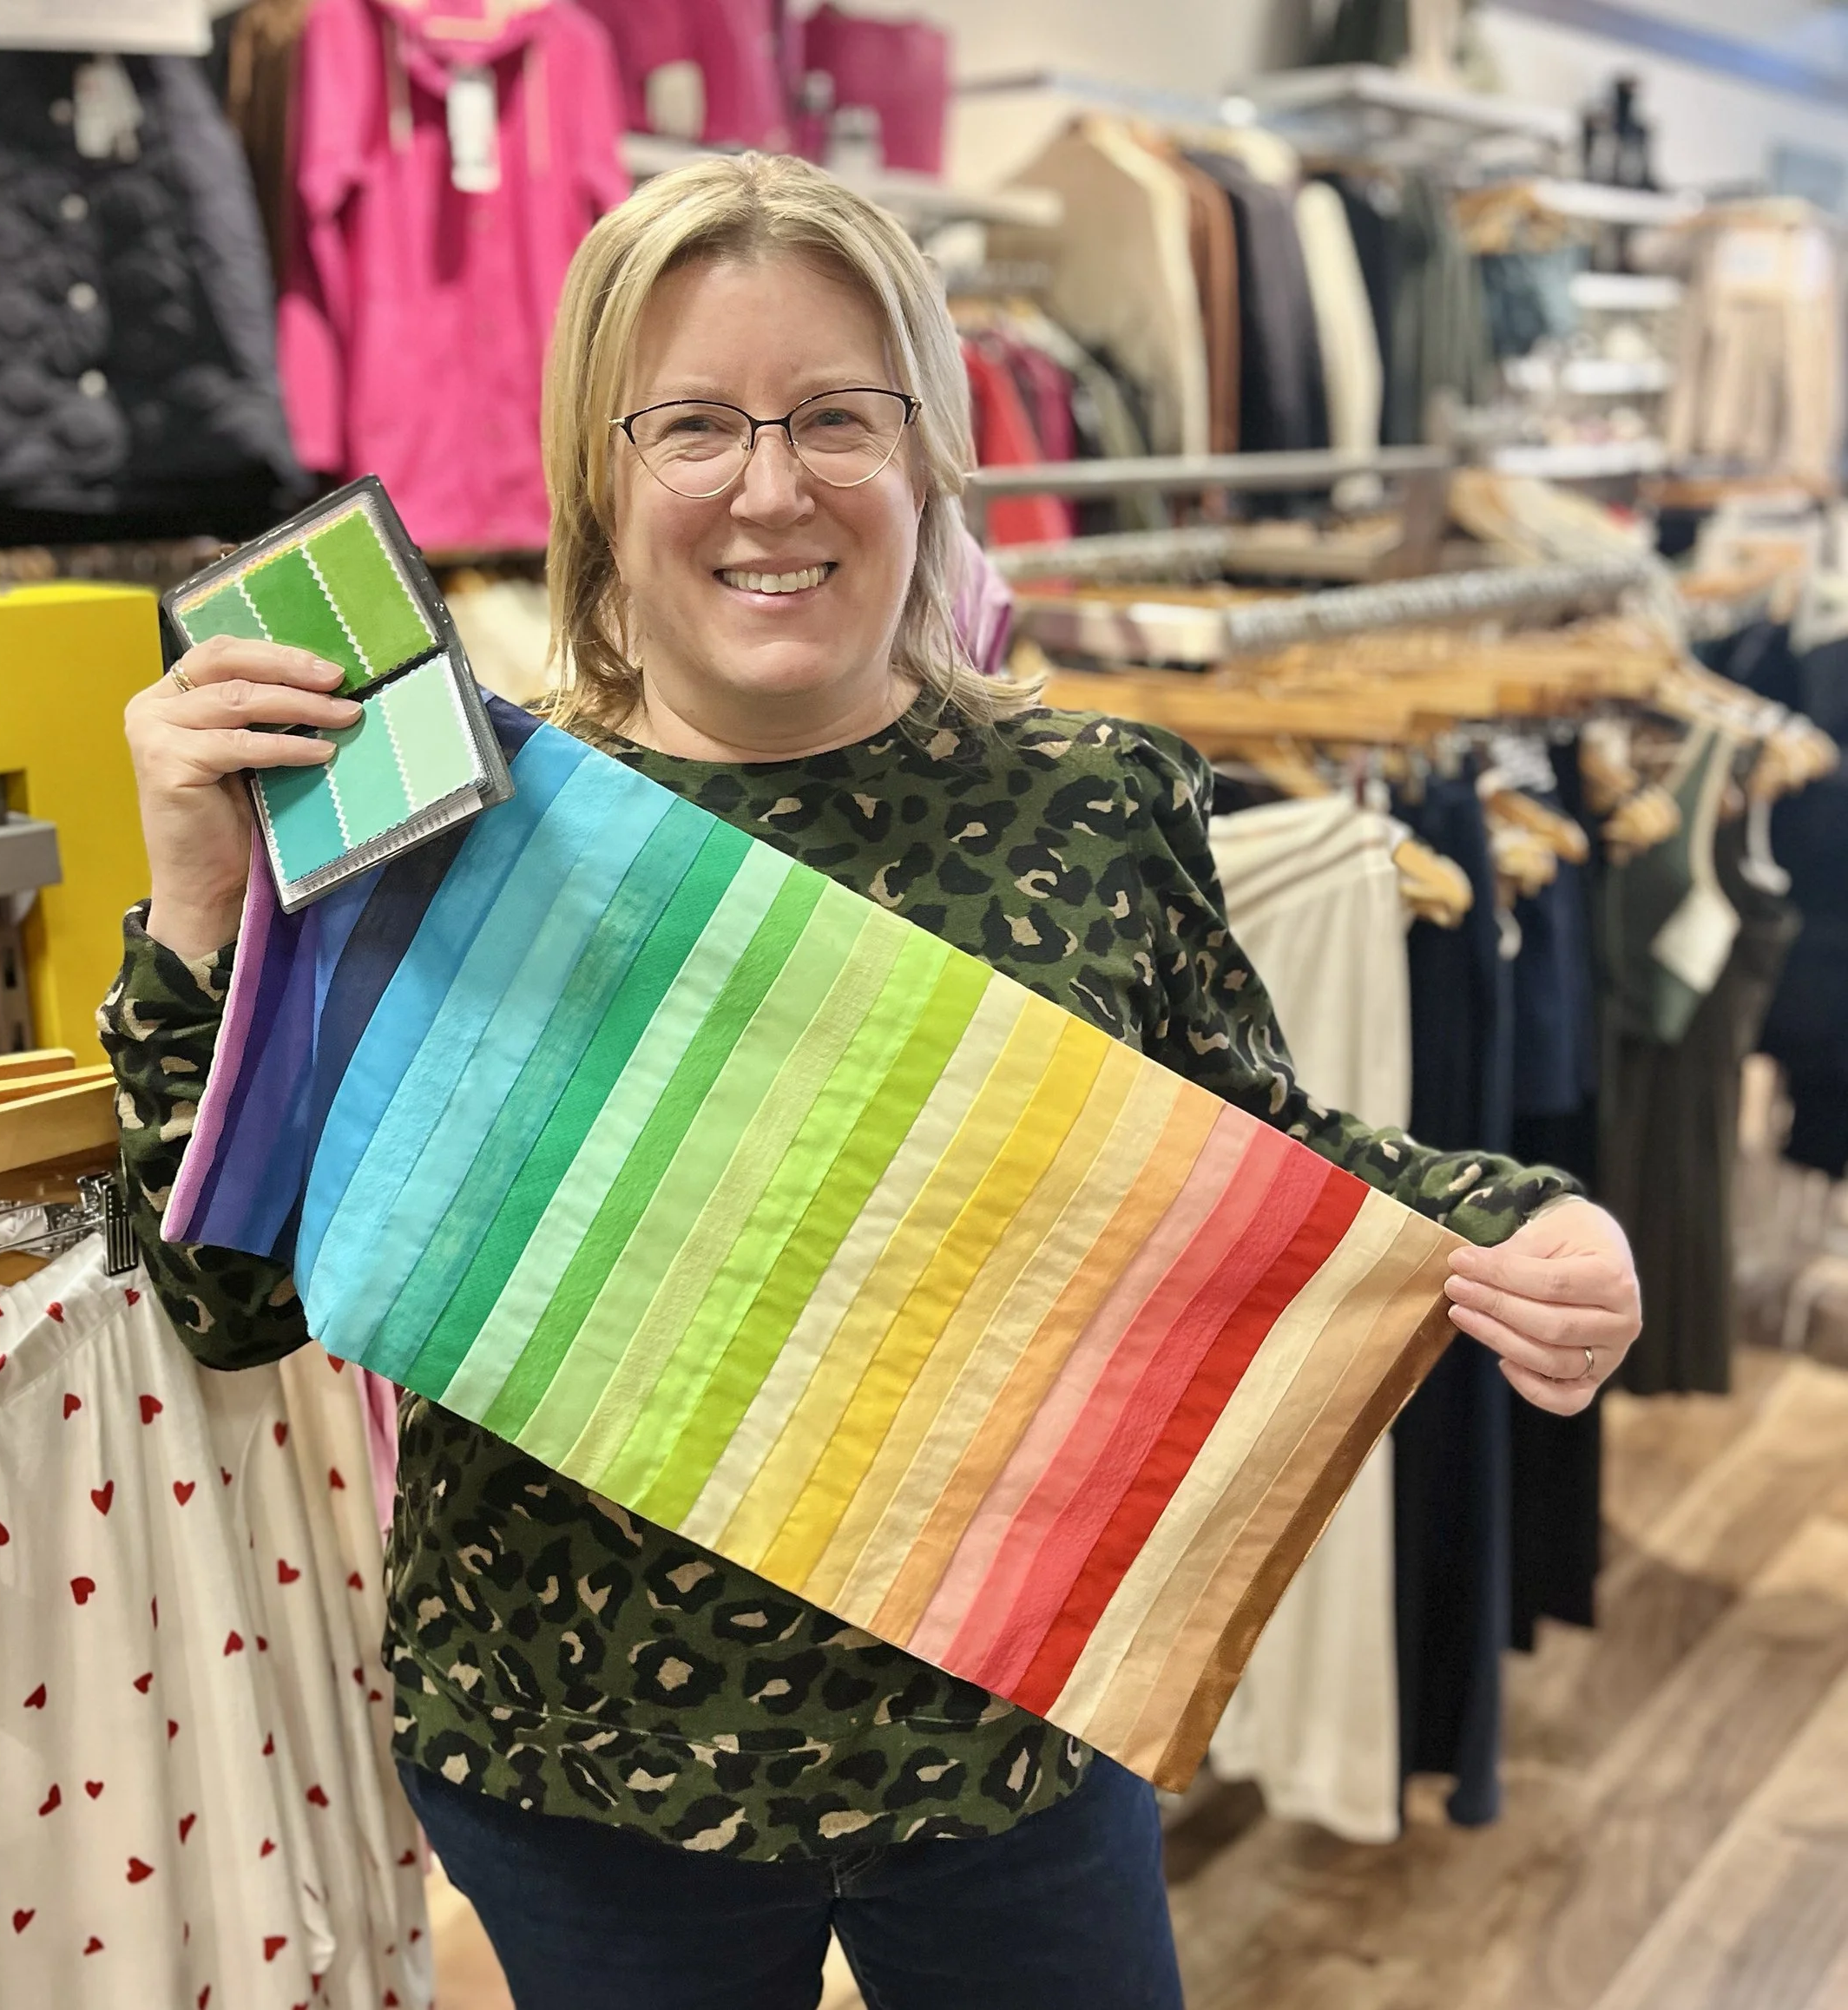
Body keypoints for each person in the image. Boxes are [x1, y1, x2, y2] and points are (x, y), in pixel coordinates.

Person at [105, 151, 1641, 2010]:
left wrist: (1520, 1219)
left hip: (1007, 1737)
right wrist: (199, 899)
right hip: (583, 1767)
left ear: (928, 454)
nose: (772, 486)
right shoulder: (459, 834)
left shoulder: (1099, 799)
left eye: (837, 414)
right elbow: (226, 1297)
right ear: (600, 479)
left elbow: (1261, 1152)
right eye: (692, 426)